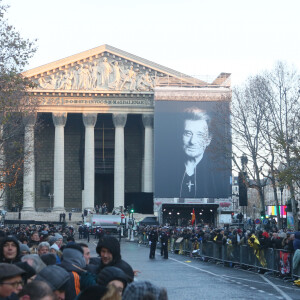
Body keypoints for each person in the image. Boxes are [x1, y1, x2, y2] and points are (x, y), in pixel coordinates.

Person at [155, 106, 230, 199]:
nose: (192, 141)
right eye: (188, 133)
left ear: (208, 139)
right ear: (180, 135)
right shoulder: (164, 172)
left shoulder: (217, 175)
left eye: (200, 135)